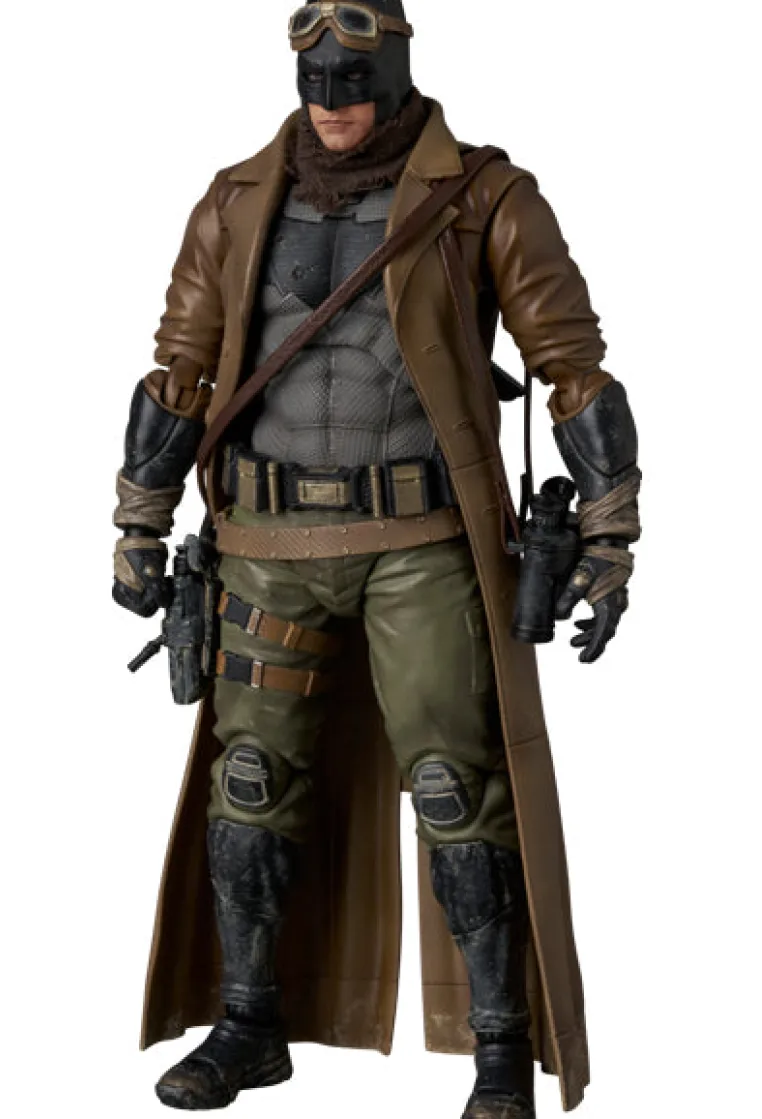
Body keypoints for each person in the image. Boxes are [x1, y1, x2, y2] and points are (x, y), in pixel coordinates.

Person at [112, 3, 641, 1116]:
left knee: (454, 787)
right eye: (314, 85)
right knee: (248, 784)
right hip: (264, 549)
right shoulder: (235, 200)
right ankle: (248, 1022)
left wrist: (610, 529)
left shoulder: (484, 196)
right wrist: (138, 522)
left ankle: (500, 1047)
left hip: (419, 549)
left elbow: (572, 365)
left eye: (352, 85)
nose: (331, 107)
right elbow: (178, 369)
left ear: (395, 71)